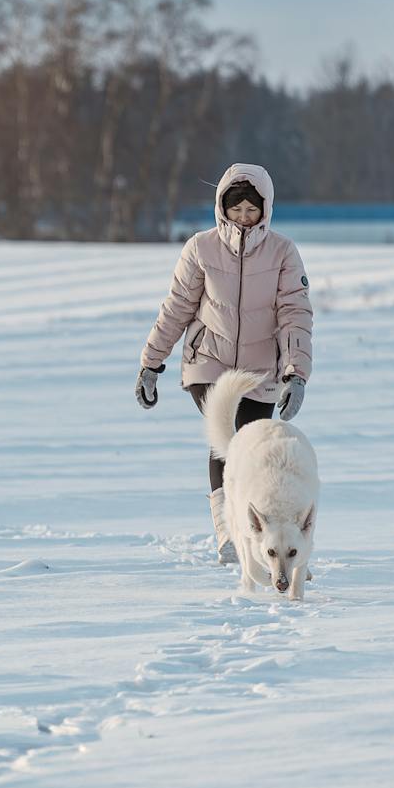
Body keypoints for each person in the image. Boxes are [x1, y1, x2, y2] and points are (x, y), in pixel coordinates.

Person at [134, 162, 314, 561]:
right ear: (222, 208)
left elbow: (295, 314)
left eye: (252, 210)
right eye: (236, 210)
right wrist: (151, 364)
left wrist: (295, 374)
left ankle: (259, 531)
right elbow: (177, 308)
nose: (244, 218)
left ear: (265, 208)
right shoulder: (201, 248)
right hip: (208, 361)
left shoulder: (283, 252)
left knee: (250, 446)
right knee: (226, 437)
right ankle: (227, 532)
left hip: (261, 368)